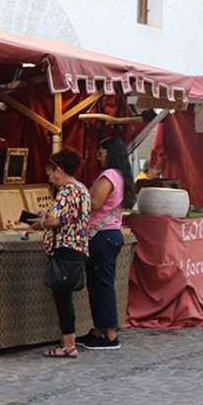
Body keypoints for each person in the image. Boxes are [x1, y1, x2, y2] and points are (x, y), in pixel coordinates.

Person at [76, 137, 136, 350]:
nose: (98, 155)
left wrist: (77, 196)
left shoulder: (109, 175)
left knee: (102, 286)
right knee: (100, 284)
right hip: (110, 235)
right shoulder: (120, 175)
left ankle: (109, 335)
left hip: (102, 235)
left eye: (101, 151)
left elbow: (95, 203)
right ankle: (99, 330)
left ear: (109, 153)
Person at [32, 149, 91, 359]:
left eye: (50, 173)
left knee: (62, 298)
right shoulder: (82, 189)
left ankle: (68, 345)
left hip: (65, 250)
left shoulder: (66, 191)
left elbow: (54, 221)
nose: (49, 177)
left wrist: (41, 221)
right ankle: (69, 343)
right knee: (64, 297)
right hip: (78, 249)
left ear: (58, 170)